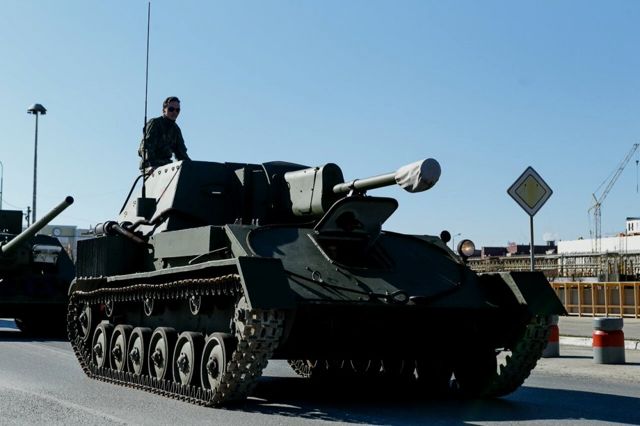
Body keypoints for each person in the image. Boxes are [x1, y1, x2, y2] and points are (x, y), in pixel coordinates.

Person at [138, 96, 190, 170]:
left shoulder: (176, 130)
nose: (174, 112)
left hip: (166, 168)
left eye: (177, 110)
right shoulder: (155, 123)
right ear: (164, 110)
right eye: (171, 109)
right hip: (150, 168)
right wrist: (151, 165)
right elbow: (146, 147)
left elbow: (181, 154)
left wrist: (192, 167)